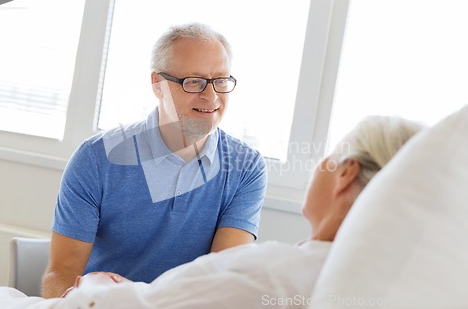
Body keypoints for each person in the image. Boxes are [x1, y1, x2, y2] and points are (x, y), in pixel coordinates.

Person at [53, 115, 425, 308]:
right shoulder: (387, 280)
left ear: (345, 175)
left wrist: (98, 283)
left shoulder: (272, 273)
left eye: (329, 154)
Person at [41, 23, 268, 298]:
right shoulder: (95, 158)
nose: (211, 96)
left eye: (220, 80)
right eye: (193, 81)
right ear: (157, 85)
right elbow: (61, 273)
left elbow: (220, 282)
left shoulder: (246, 167)